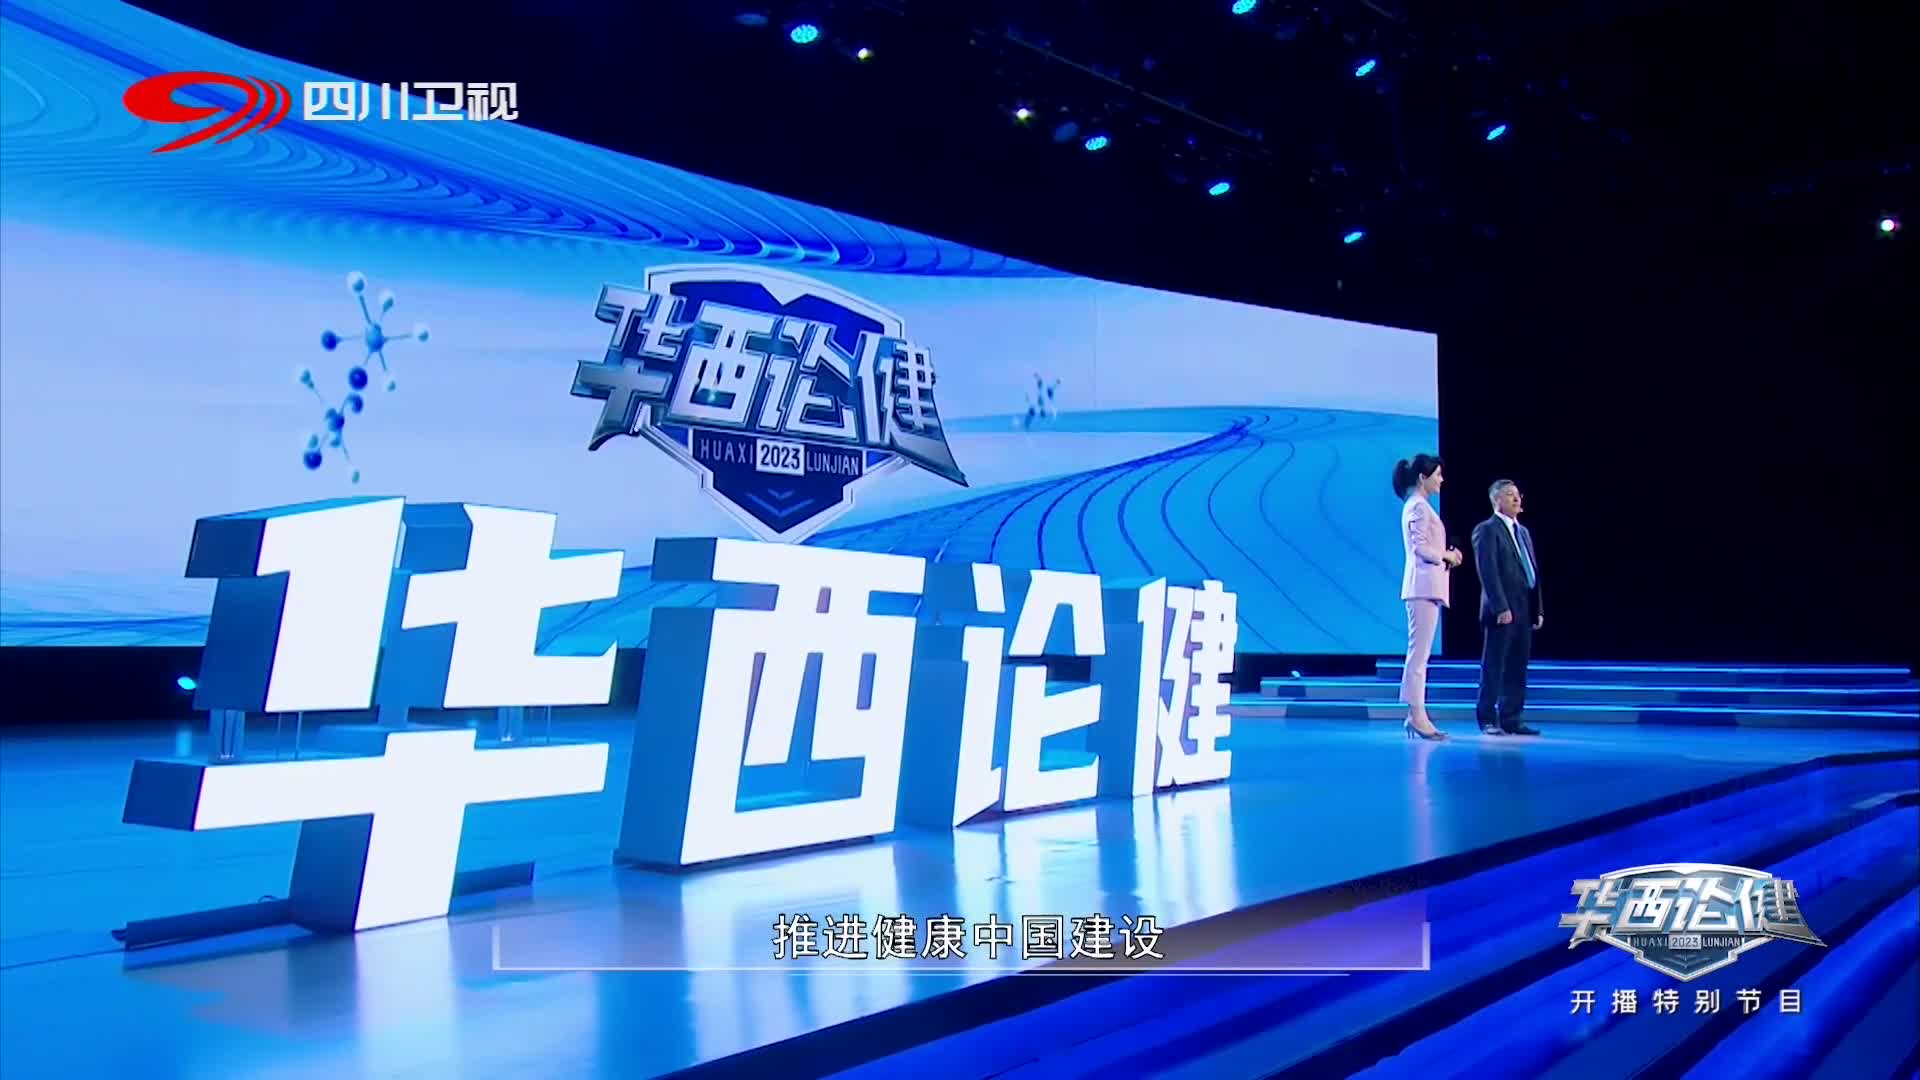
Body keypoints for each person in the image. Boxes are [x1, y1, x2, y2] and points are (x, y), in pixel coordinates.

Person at [1394, 454, 1463, 740]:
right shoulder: (1418, 507)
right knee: (1418, 655)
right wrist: (1446, 555)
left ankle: (1416, 714)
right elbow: (1419, 547)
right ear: (1423, 478)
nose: (1441, 480)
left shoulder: (1419, 506)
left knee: (1420, 654)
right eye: (1437, 475)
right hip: (1421, 587)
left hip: (1428, 587)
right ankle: (1417, 715)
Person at [1472, 479, 1543, 736]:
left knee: (1518, 666)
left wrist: (1538, 608)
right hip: (1502, 610)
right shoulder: (1487, 529)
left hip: (1524, 609)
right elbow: (1488, 572)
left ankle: (1512, 718)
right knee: (1494, 666)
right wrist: (1501, 607)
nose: (1516, 498)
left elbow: (1532, 572)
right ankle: (1487, 719)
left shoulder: (1523, 532)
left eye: (1517, 494)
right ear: (1496, 500)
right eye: (1510, 494)